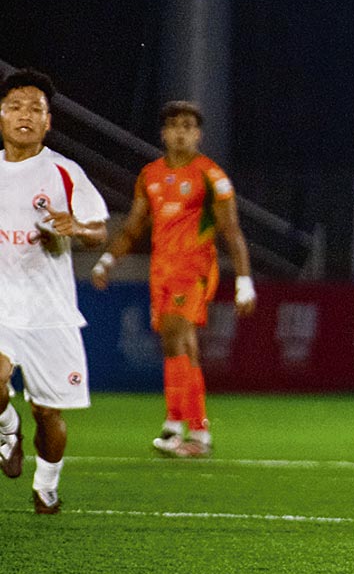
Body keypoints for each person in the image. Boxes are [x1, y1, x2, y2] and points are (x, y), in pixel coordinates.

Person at [91, 100, 256, 458]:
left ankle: (173, 424)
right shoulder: (150, 175)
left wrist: (244, 280)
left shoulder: (211, 176)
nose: (181, 132)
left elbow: (231, 230)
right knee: (182, 344)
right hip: (161, 269)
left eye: (188, 126)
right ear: (164, 133)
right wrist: (107, 260)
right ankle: (198, 432)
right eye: (175, 126)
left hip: (195, 268)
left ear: (198, 135)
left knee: (173, 335)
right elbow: (134, 226)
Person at [0, 68, 110, 514]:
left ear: (48, 122)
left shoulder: (64, 173)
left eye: (35, 109)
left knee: (48, 414)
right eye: (15, 107)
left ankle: (46, 486)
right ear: (1, 116)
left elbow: (99, 231)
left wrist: (77, 227)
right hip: (2, 308)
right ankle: (7, 430)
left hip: (50, 313)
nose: (24, 115)